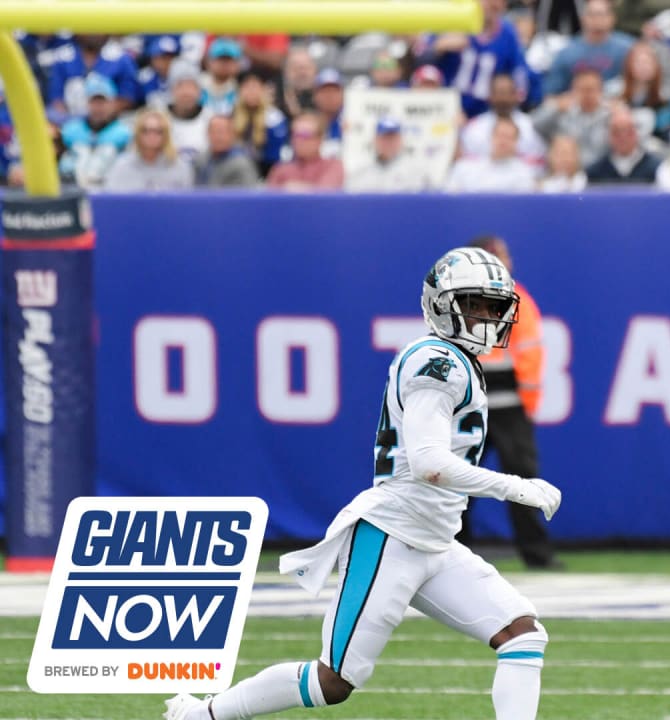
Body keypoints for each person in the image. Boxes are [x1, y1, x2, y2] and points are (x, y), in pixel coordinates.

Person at [165, 247, 562, 720]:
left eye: (494, 307)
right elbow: (429, 463)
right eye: (474, 304)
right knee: (332, 682)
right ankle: (201, 715)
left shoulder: (457, 360)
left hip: (435, 540)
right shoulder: (437, 362)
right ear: (441, 304)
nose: (487, 317)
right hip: (391, 536)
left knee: (522, 634)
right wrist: (515, 487)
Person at [459, 237, 564, 569]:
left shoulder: (456, 299)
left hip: (475, 404)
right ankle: (536, 556)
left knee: (459, 482)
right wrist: (529, 402)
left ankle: (451, 554)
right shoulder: (514, 298)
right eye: (502, 254)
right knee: (515, 484)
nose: (509, 260)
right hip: (505, 406)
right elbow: (530, 354)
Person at [543, 0, 635, 96]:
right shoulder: (567, 52)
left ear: (612, 18)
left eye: (601, 14)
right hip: (577, 106)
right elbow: (550, 93)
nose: (597, 20)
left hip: (617, 103)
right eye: (592, 15)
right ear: (583, 18)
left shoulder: (628, 48)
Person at [104, 109, 195, 191]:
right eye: (145, 130)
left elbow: (187, 203)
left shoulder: (180, 167)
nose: (152, 136)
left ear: (166, 135)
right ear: (138, 133)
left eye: (158, 131)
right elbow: (111, 200)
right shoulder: (122, 166)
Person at [447, 116, 540, 192]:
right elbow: (450, 198)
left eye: (509, 137)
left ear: (517, 142)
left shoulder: (524, 173)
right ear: (491, 137)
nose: (503, 141)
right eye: (500, 135)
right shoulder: (464, 167)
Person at [346, 117, 429, 192]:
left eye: (392, 138)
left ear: (401, 140)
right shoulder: (361, 172)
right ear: (375, 140)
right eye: (384, 138)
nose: (388, 142)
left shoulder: (416, 172)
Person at [266, 113, 345, 191]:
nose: (299, 140)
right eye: (296, 135)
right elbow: (270, 198)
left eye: (305, 135)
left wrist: (290, 188)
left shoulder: (333, 166)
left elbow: (325, 193)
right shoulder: (280, 169)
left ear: (320, 139)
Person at [585, 105, 663, 183]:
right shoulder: (595, 172)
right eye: (616, 132)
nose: (623, 137)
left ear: (637, 132)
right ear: (608, 134)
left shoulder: (657, 168)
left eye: (628, 132)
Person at [194, 114, 260, 188]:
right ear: (207, 134)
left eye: (222, 132)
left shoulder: (242, 164)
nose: (218, 137)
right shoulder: (200, 160)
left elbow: (249, 195)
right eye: (214, 131)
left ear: (233, 135)